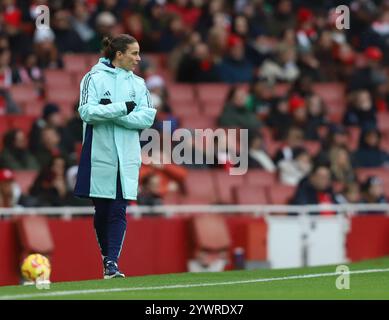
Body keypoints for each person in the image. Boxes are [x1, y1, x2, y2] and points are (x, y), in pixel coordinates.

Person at [74, 34, 157, 279]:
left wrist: (112, 114)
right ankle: (106, 256)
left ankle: (112, 263)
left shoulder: (139, 84)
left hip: (127, 156)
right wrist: (122, 108)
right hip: (99, 153)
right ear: (119, 54)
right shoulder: (93, 78)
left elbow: (147, 117)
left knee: (119, 210)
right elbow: (87, 111)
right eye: (134, 53)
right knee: (102, 211)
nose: (138, 58)